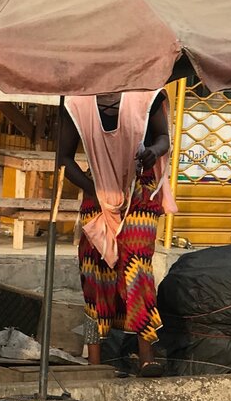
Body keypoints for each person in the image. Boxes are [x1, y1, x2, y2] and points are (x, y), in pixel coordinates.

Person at [57, 91, 177, 375]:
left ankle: (146, 354)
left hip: (139, 190)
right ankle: (93, 359)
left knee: (137, 267)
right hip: (95, 189)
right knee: (93, 272)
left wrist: (154, 152)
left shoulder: (149, 96)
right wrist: (93, 191)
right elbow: (63, 157)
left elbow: (163, 138)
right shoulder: (76, 103)